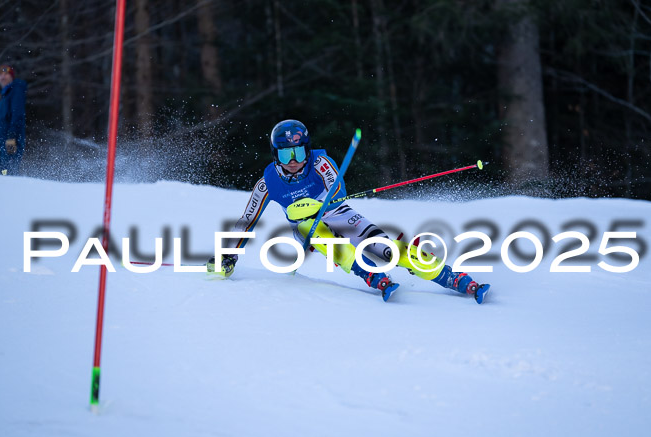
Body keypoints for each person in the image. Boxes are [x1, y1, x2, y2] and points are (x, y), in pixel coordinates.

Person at [209, 119, 490, 303]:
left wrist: (323, 203)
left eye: (298, 153)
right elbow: (247, 220)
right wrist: (228, 254)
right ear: (275, 154)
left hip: (337, 211)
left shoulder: (320, 163)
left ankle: (450, 276)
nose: (293, 161)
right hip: (305, 226)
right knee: (316, 231)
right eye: (285, 154)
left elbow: (338, 187)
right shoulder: (267, 182)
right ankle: (367, 273)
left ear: (307, 150)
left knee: (385, 249)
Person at [0, 64, 27, 176]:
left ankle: (11, 191)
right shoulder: (6, 94)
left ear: (11, 76)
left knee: (8, 172)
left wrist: (11, 136)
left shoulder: (16, 90)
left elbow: (17, 114)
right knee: (1, 171)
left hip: (10, 140)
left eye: (5, 74)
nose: (2, 77)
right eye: (0, 75)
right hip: (1, 140)